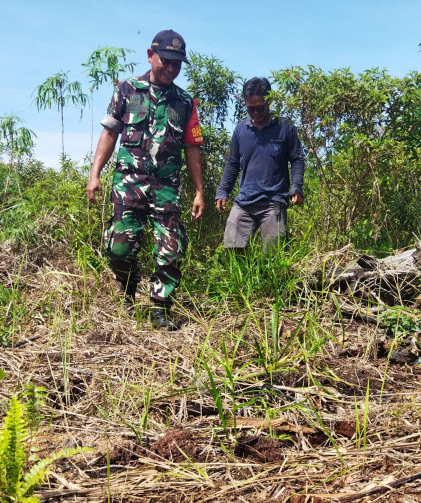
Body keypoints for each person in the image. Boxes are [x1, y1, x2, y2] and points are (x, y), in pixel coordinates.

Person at [86, 30, 205, 331]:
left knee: (171, 250)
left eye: (177, 64)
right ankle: (128, 287)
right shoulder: (127, 90)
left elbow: (192, 147)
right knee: (119, 249)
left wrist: (200, 191)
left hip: (166, 188)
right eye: (166, 61)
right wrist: (94, 173)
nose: (171, 68)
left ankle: (160, 308)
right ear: (150, 55)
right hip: (128, 184)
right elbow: (110, 132)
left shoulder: (185, 102)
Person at [215, 77, 304, 252]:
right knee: (232, 249)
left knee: (273, 256)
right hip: (244, 200)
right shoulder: (241, 129)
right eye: (250, 108)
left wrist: (297, 187)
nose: (255, 112)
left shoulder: (285, 127)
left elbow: (297, 159)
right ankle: (243, 280)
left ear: (269, 101)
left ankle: (269, 280)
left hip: (273, 202)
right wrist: (223, 191)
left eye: (260, 108)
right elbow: (232, 163)